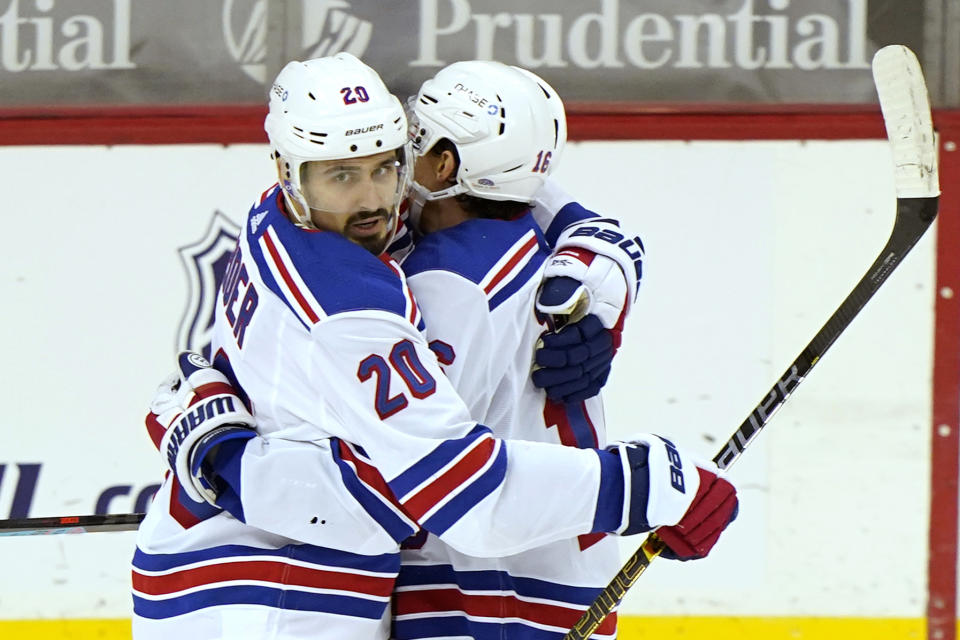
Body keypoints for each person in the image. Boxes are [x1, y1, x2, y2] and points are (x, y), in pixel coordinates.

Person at [133, 53, 737, 640]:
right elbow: (440, 493)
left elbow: (429, 491)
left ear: (438, 165)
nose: (371, 198)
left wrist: (215, 455)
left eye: (389, 164)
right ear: (287, 170)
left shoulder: (280, 215)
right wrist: (649, 484)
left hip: (434, 587)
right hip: (268, 594)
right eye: (341, 174)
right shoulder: (364, 303)